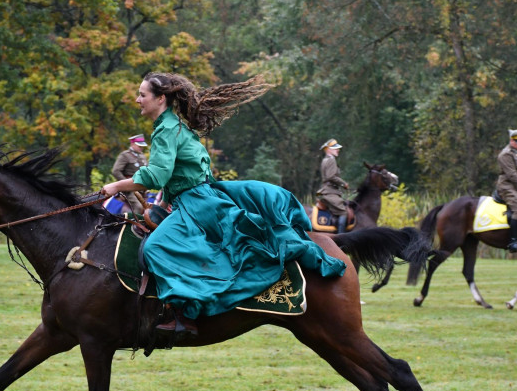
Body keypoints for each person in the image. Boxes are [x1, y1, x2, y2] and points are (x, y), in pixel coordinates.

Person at [101, 72, 346, 336]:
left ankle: (185, 315)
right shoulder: (176, 126)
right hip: (198, 198)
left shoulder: (166, 130)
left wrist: (115, 186)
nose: (137, 100)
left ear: (160, 99)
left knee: (155, 248)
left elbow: (156, 176)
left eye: (142, 95)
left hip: (196, 204)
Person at [316, 138, 349, 233]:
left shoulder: (325, 160)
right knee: (343, 212)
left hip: (327, 190)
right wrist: (344, 184)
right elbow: (331, 176)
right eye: (335, 148)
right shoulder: (331, 159)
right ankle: (341, 237)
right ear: (328, 149)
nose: (338, 150)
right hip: (330, 192)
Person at [111, 134, 149, 215]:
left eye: (142, 146)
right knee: (138, 207)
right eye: (139, 146)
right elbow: (116, 171)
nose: (141, 148)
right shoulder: (125, 155)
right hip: (130, 190)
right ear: (132, 144)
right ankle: (134, 226)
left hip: (142, 187)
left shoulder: (142, 156)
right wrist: (127, 184)